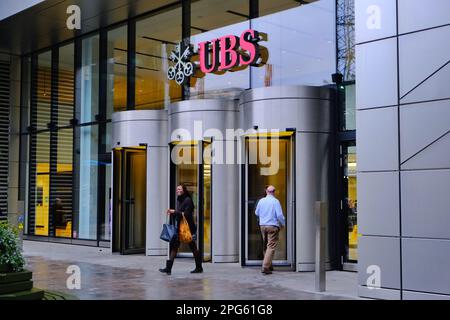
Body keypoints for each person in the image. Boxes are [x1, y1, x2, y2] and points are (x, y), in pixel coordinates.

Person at [159, 184, 203, 275]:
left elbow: (186, 214)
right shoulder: (179, 200)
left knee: (193, 247)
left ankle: (199, 267)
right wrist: (173, 213)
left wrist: (175, 212)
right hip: (179, 227)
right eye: (177, 189)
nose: (177, 190)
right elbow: (180, 213)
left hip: (188, 228)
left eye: (179, 189)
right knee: (175, 246)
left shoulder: (188, 200)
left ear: (183, 190)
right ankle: (168, 268)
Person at [255, 185, 286, 275]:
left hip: (263, 226)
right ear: (274, 192)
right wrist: (283, 224)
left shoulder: (261, 201)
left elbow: (256, 212)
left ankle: (269, 264)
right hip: (272, 226)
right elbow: (279, 215)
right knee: (271, 246)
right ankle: (265, 266)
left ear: (267, 192)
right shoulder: (275, 201)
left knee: (266, 245)